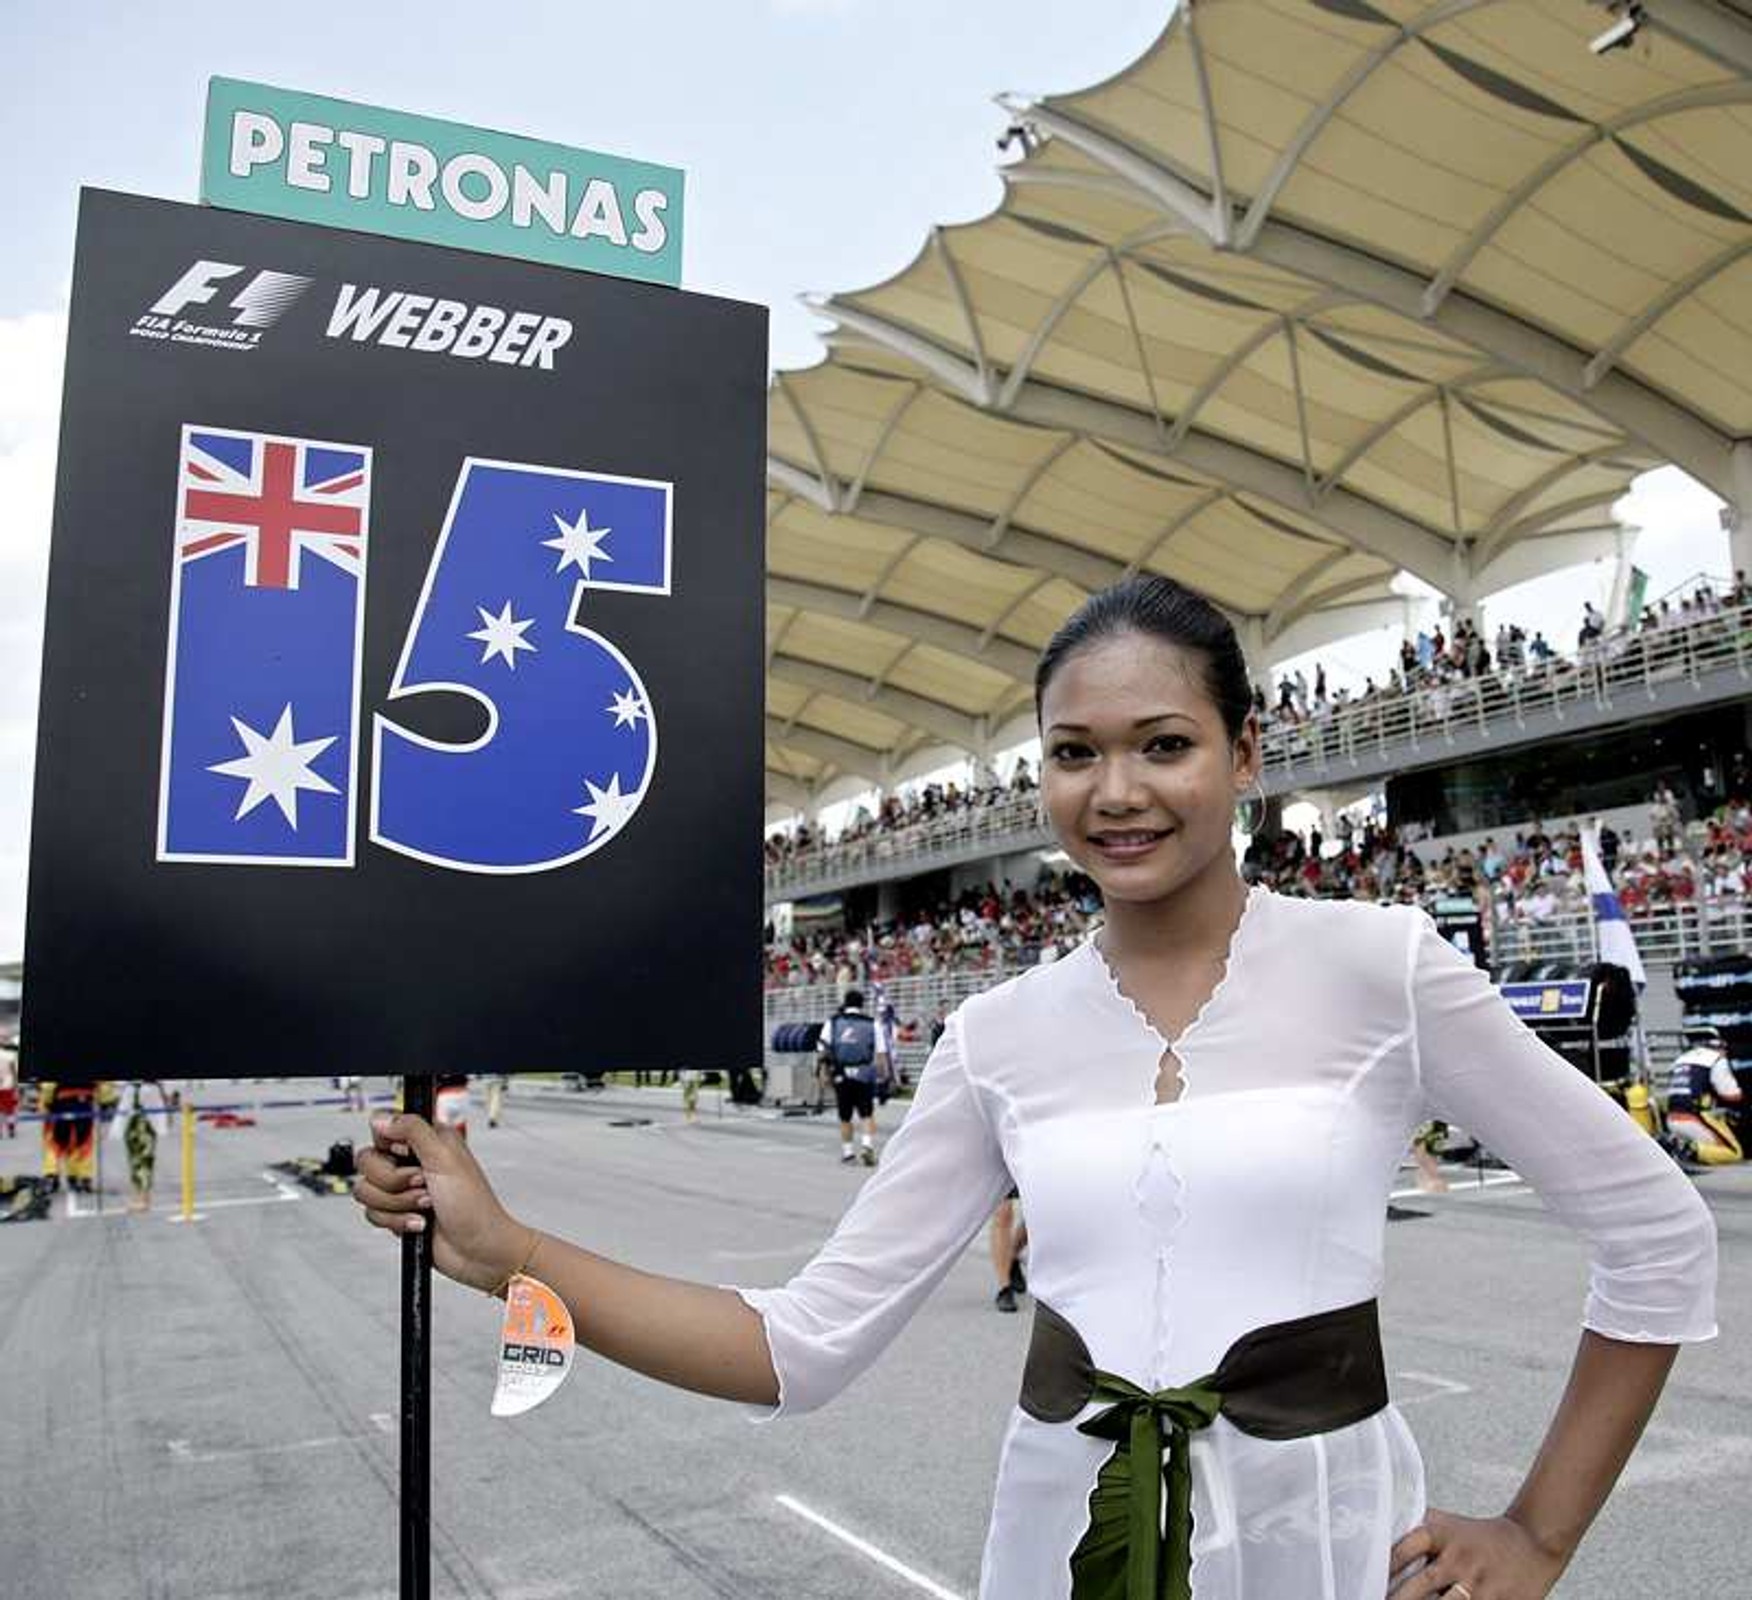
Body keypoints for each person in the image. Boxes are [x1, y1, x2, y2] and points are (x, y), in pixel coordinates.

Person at [355, 574, 1716, 1600]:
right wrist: (508, 1253)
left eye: (1163, 745)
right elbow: (801, 1348)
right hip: (1065, 1533)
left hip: (1333, 1538)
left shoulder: (1382, 962)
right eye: (1075, 753)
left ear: (1247, 752)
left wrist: (1541, 1534)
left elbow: (1656, 1235)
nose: (1115, 792)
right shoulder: (997, 1032)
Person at [815, 987, 883, 1165]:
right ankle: (867, 1145)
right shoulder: (872, 1023)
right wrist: (882, 1075)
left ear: (845, 1004)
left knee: (845, 1115)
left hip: (841, 1072)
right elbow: (881, 1053)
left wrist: (823, 1073)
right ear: (862, 1004)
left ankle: (848, 1153)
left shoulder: (834, 1022)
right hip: (864, 1073)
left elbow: (822, 1049)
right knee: (866, 1112)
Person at [111, 1080, 172, 1213]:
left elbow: (163, 1101)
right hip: (132, 1126)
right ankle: (138, 1197)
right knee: (135, 1161)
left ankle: (144, 1199)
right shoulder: (132, 1087)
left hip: (145, 1126)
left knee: (144, 1161)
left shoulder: (151, 1087)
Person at [0, 1036, 17, 1139]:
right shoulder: (10, 1055)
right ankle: (11, 1129)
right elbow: (13, 1072)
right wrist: (16, 1085)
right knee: (9, 1109)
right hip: (7, 1085)